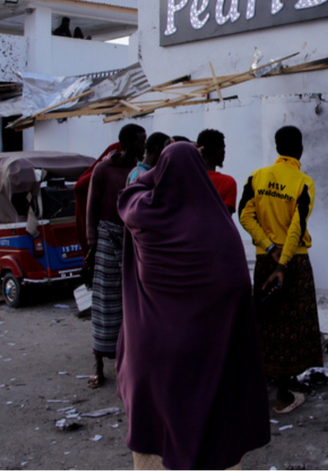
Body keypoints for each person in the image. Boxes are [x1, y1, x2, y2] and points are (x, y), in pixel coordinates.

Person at [116, 142, 271, 471]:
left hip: (152, 351)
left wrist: (155, 173)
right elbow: (239, 286)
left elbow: (129, 193)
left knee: (155, 439)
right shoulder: (218, 226)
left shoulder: (144, 216)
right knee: (210, 432)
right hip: (205, 351)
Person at [238, 125, 321, 413]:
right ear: (299, 148)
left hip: (265, 261)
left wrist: (268, 247)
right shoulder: (303, 182)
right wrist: (284, 261)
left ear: (276, 148)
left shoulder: (256, 176)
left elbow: (244, 215)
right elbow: (297, 226)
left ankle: (262, 388)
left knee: (266, 321)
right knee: (292, 326)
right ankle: (283, 396)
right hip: (293, 262)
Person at [85, 124, 147, 389]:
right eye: (140, 141)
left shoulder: (141, 170)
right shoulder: (103, 169)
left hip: (132, 239)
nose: (143, 146)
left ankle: (129, 362)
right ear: (126, 143)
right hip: (107, 238)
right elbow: (91, 207)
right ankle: (98, 365)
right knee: (104, 302)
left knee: (132, 303)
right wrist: (92, 243)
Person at [196, 129, 236, 213]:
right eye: (223, 148)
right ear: (217, 149)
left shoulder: (188, 178)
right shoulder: (228, 182)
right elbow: (225, 217)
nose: (224, 152)